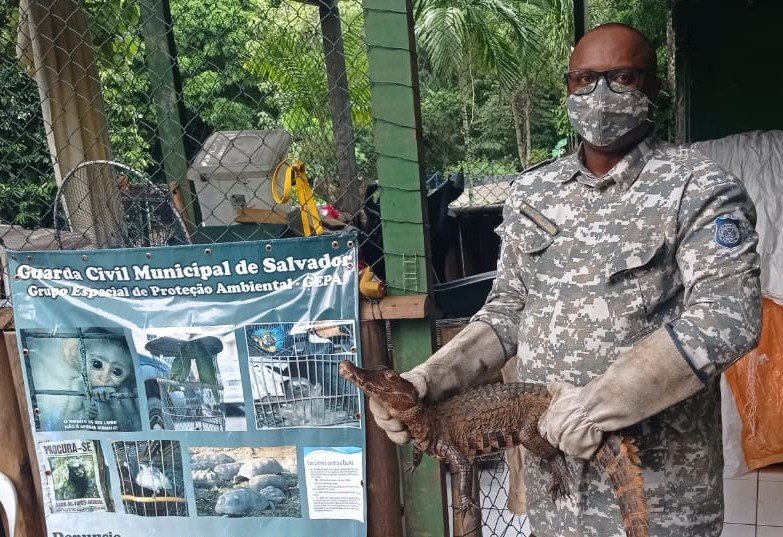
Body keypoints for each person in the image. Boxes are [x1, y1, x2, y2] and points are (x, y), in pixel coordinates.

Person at [371, 23, 762, 537]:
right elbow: (507, 310)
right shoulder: (533, 191)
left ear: (652, 88)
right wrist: (428, 379)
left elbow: (727, 319)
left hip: (658, 486)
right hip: (553, 481)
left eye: (622, 77)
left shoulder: (697, 187)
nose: (600, 94)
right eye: (585, 79)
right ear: (569, 87)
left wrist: (595, 405)